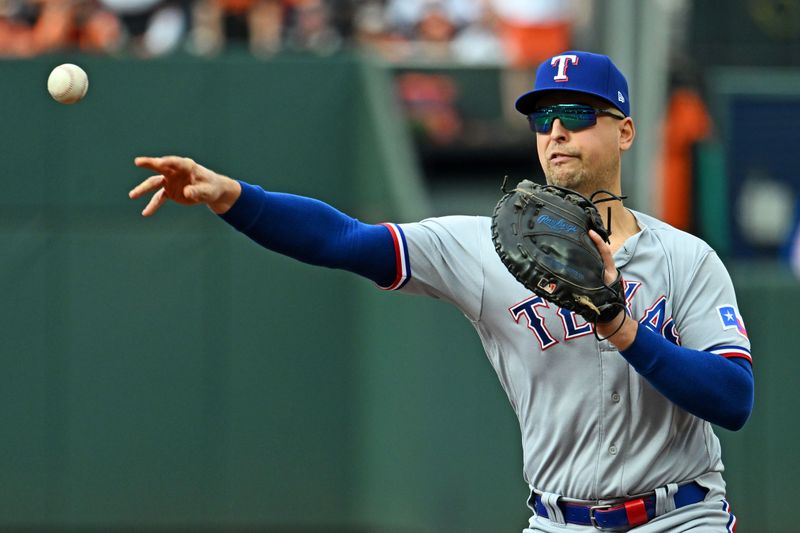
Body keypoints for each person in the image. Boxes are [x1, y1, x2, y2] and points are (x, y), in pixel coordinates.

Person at [129, 50, 754, 532]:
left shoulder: (685, 259)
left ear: (624, 131)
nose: (556, 131)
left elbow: (733, 399)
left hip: (681, 516)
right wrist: (236, 198)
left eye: (578, 114)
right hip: (560, 518)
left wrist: (622, 327)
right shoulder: (484, 246)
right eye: (543, 117)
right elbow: (348, 240)